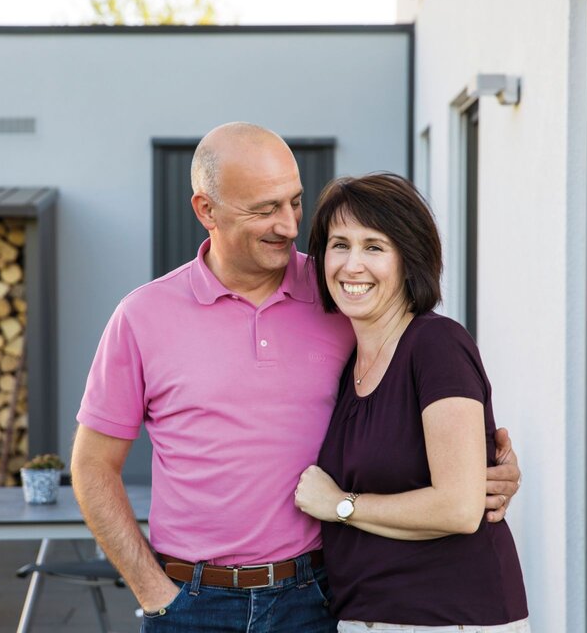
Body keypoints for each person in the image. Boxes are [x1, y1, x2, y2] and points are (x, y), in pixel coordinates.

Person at [71, 122, 522, 633]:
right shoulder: (142, 316)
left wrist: (489, 470)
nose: (287, 225)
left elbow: (417, 399)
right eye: (264, 209)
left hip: (318, 598)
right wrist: (153, 591)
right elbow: (92, 466)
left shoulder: (343, 296)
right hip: (191, 603)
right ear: (206, 211)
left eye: (295, 202)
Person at [294, 172, 528, 632]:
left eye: (374, 247)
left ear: (409, 260)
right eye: (339, 245)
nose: (352, 265)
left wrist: (341, 504)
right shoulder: (349, 365)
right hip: (366, 617)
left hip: (448, 619)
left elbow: (459, 509)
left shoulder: (436, 345)